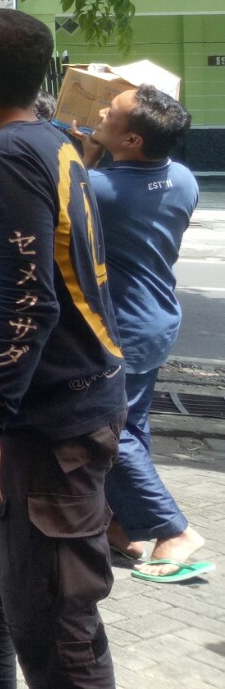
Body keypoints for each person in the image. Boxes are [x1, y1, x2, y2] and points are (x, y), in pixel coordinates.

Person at [0, 9, 125, 689]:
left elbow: (27, 302)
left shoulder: (11, 155)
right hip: (8, 411)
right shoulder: (47, 141)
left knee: (55, 633)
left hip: (39, 428)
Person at [80, 84, 210, 583]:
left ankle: (173, 531)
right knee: (133, 427)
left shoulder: (103, 190)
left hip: (122, 328)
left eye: (110, 112)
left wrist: (88, 151)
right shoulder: (181, 178)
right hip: (157, 318)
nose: (101, 110)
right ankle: (121, 525)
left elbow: (70, 201)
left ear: (132, 140)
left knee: (108, 432)